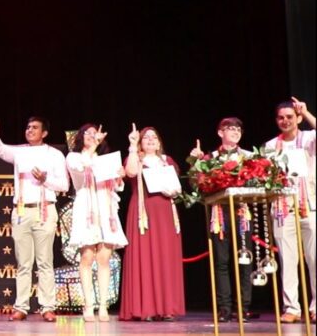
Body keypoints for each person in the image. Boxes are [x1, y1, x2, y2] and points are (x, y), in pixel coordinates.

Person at [0, 115, 67, 322]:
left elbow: (64, 185)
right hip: (22, 211)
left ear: (44, 133)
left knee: (45, 262)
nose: (29, 130)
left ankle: (47, 307)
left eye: (35, 127)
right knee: (23, 263)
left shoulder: (55, 155)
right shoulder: (20, 152)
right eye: (28, 127)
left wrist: (45, 179)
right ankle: (21, 306)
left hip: (45, 210)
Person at [187, 117, 257, 322]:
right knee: (221, 261)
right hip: (220, 213)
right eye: (231, 128)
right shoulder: (211, 158)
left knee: (245, 259)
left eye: (238, 129)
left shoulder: (249, 157)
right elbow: (195, 184)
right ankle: (224, 308)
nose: (235, 132)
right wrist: (195, 163)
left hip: (242, 212)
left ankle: (243, 307)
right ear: (220, 133)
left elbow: (258, 181)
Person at [119, 125, 185, 321]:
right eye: (146, 137)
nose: (150, 140)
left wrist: (173, 191)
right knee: (145, 257)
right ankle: (145, 308)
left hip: (165, 213)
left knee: (165, 258)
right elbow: (130, 172)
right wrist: (132, 146)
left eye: (154, 137)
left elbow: (177, 186)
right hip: (143, 214)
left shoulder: (167, 161)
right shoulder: (136, 159)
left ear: (159, 143)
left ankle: (167, 308)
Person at [65, 123, 126, 322]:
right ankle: (88, 305)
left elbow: (116, 187)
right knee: (87, 257)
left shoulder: (105, 159)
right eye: (88, 133)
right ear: (80, 137)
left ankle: (103, 305)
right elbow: (80, 168)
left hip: (106, 208)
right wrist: (93, 147)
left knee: (104, 258)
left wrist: (119, 177)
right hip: (86, 209)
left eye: (95, 133)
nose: (92, 136)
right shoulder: (74, 157)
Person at [264, 97, 316, 324]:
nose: (285, 121)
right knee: (288, 259)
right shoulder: (270, 145)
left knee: (315, 258)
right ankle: (292, 307)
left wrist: (307, 112)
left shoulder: (309, 138)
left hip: (310, 204)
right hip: (282, 206)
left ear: (298, 118)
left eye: (289, 117)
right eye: (281, 118)